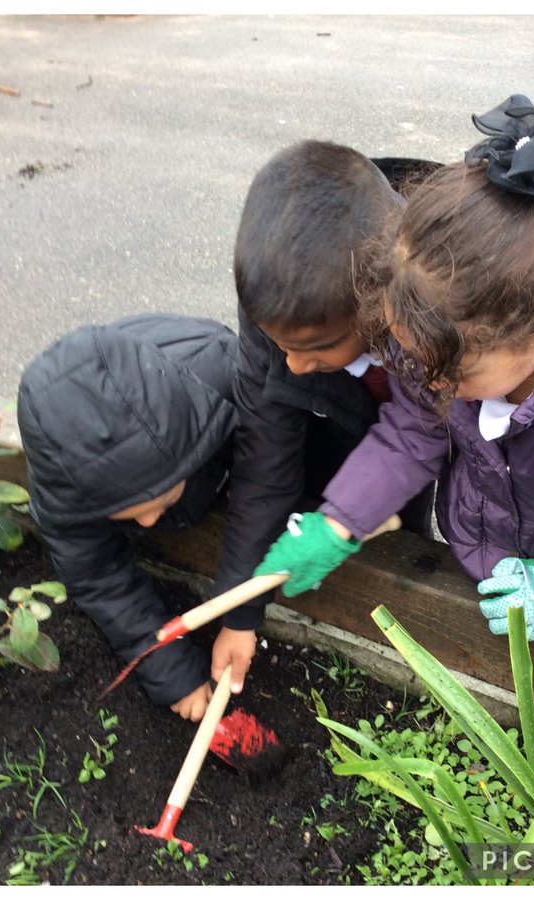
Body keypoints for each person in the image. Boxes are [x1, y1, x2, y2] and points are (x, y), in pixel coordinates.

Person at [257, 95, 534, 641]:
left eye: (451, 376)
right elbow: (412, 430)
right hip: (500, 567)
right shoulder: (447, 345)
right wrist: (340, 520)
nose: (430, 386)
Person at [209, 140, 436, 689]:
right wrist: (240, 610)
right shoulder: (283, 303)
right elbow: (265, 448)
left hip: (420, 435)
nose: (291, 363)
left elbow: (429, 430)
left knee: (404, 530)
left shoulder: (439, 301)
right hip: (340, 423)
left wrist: (355, 519)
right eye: (278, 343)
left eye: (317, 347)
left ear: (381, 304)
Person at [17, 314, 237, 721]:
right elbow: (99, 579)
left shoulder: (223, 382)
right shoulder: (64, 492)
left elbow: (278, 455)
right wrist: (173, 672)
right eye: (131, 514)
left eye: (162, 500)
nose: (150, 523)